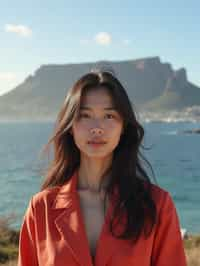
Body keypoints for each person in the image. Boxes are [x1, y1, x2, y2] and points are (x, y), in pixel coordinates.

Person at [18, 69, 187, 266]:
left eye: (109, 116)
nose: (97, 127)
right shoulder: (41, 209)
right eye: (85, 115)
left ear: (123, 126)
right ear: (70, 126)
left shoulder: (157, 205)